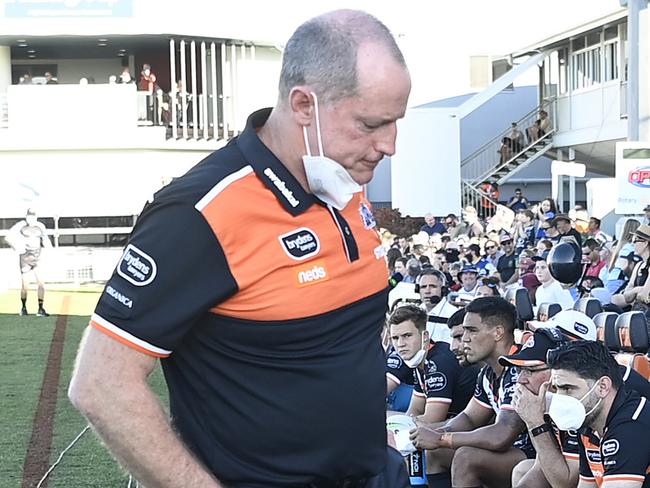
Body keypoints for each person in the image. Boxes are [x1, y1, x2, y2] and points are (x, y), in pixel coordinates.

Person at [68, 10, 412, 487]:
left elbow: (342, 341)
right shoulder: (198, 213)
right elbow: (101, 385)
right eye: (372, 123)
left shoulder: (343, 177)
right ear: (303, 106)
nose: (389, 144)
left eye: (396, 121)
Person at [409, 297, 535, 488]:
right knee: (435, 451)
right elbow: (469, 418)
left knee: (466, 457)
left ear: (498, 333)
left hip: (533, 456)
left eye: (471, 330)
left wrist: (442, 438)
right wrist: (431, 433)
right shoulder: (487, 372)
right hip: (511, 452)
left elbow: (502, 435)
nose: (465, 339)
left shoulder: (519, 368)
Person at [547, 341, 650, 487]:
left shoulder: (632, 424)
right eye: (556, 389)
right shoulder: (587, 423)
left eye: (568, 389)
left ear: (602, 387)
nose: (560, 398)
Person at [386, 305, 478, 424]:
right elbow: (416, 410)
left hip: (467, 432)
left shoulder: (438, 362)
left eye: (407, 336)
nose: (400, 344)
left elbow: (431, 420)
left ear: (425, 336)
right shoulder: (420, 360)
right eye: (395, 338)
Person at [5, 208, 51, 317]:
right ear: (26, 215)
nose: (31, 217)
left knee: (41, 283)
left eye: (33, 215)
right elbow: (8, 237)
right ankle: (23, 308)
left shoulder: (40, 226)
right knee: (25, 285)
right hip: (25, 257)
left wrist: (49, 248)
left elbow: (45, 239)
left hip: (37, 256)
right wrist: (17, 248)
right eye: (30, 215)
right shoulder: (20, 225)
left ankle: (40, 309)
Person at [612, 224, 650, 312]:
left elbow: (644, 295)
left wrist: (633, 293)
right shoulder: (639, 265)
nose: (633, 243)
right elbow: (626, 296)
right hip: (636, 314)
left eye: (635, 240)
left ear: (645, 243)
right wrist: (637, 290)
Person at [417, 268, 458, 344]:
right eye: (423, 287)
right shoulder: (415, 313)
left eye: (432, 286)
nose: (427, 291)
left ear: (443, 290)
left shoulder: (453, 314)